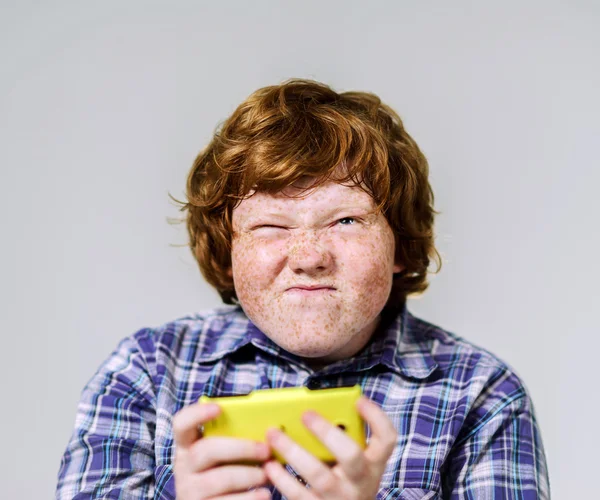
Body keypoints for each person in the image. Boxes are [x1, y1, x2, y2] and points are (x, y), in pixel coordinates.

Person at [56, 79, 550, 499]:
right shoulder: (145, 372)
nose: (310, 257)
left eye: (347, 220)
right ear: (228, 253)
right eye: (271, 225)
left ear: (400, 246)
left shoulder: (483, 396)